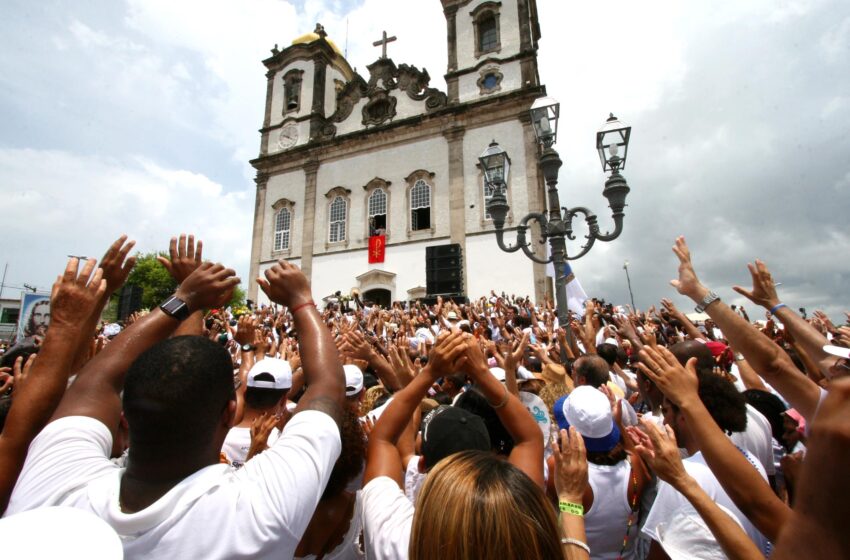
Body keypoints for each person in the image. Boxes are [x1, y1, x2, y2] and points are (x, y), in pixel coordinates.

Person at [6, 240, 347, 559]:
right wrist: (302, 300)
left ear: (123, 415)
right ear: (230, 411)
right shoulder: (257, 512)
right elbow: (327, 388)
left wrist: (184, 298)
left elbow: (95, 381)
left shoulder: (54, 484)